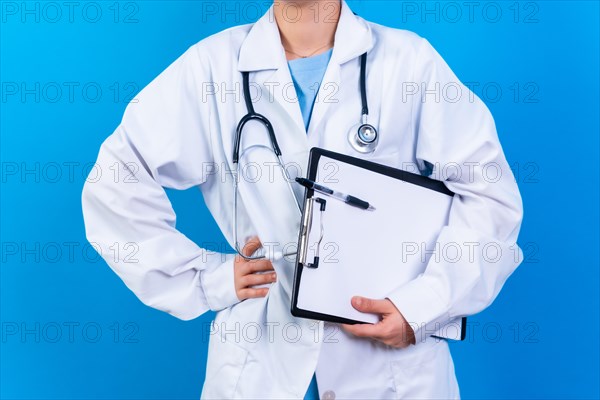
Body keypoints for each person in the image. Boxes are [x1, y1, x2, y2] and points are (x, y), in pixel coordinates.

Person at [82, 0, 524, 398]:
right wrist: (208, 279)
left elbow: (490, 194)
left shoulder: (409, 63)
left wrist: (423, 306)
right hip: (260, 362)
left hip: (392, 372)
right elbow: (116, 182)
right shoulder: (211, 68)